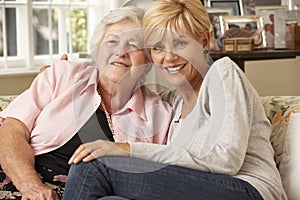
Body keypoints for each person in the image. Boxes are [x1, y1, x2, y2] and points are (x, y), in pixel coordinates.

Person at [64, 0, 287, 200]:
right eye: (158, 47)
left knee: (94, 166)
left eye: (181, 43)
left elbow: (225, 160)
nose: (168, 57)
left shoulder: (223, 74)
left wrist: (126, 149)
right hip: (197, 187)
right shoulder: (170, 102)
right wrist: (66, 74)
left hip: (250, 190)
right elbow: (122, 94)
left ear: (205, 40)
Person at [0, 6, 172, 200]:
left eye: (133, 45)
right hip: (21, 183)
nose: (121, 52)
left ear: (148, 61)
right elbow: (12, 130)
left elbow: (155, 177)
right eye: (112, 41)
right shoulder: (62, 76)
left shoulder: (160, 115)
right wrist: (31, 186)